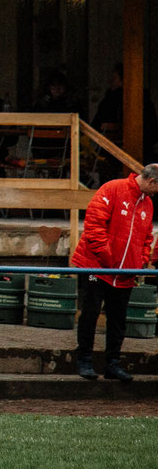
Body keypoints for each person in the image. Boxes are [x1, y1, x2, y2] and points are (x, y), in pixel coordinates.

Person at [70, 162, 158, 382]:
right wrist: (107, 257)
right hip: (97, 267)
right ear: (151, 181)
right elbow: (94, 225)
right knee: (89, 314)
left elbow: (147, 236)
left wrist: (141, 260)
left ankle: (113, 363)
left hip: (124, 271)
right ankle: (85, 361)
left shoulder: (147, 203)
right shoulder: (112, 189)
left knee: (118, 319)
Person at [92, 64, 156, 158]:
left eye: (113, 79)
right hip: (127, 145)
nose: (110, 82)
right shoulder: (111, 99)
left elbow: (97, 124)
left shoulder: (115, 99)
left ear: (123, 80)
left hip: (127, 146)